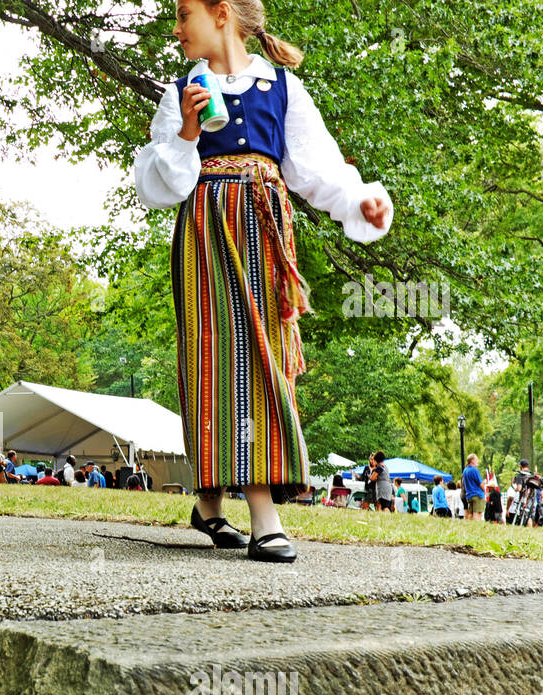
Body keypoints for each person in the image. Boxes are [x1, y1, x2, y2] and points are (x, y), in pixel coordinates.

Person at [136, 0, 392, 561]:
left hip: (263, 231)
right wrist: (184, 131)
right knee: (212, 359)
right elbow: (157, 188)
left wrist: (361, 203)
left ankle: (223, 505)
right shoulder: (180, 91)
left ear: (221, 12)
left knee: (259, 356)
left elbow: (317, 168)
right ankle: (243, 507)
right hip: (204, 232)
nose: (176, 28)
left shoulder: (282, 86)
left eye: (184, 14)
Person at [462, 453, 485, 521]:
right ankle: (476, 528)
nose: (478, 461)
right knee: (477, 513)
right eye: (476, 459)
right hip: (477, 495)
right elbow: (480, 484)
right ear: (472, 460)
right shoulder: (474, 470)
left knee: (471, 514)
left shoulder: (465, 470)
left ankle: (470, 528)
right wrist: (485, 490)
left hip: (469, 495)